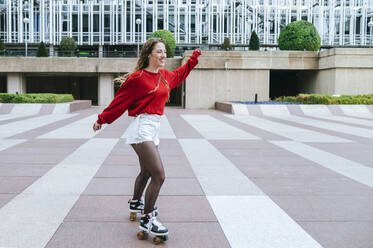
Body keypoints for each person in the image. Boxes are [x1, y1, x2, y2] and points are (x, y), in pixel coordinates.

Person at [93, 38, 201, 237]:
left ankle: (136, 202)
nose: (163, 56)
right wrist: (102, 119)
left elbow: (182, 73)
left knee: (146, 172)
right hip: (141, 127)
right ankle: (148, 217)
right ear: (149, 54)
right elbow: (120, 101)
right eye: (159, 51)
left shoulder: (165, 76)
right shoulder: (138, 78)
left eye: (165, 52)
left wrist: (193, 59)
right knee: (159, 175)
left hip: (154, 128)